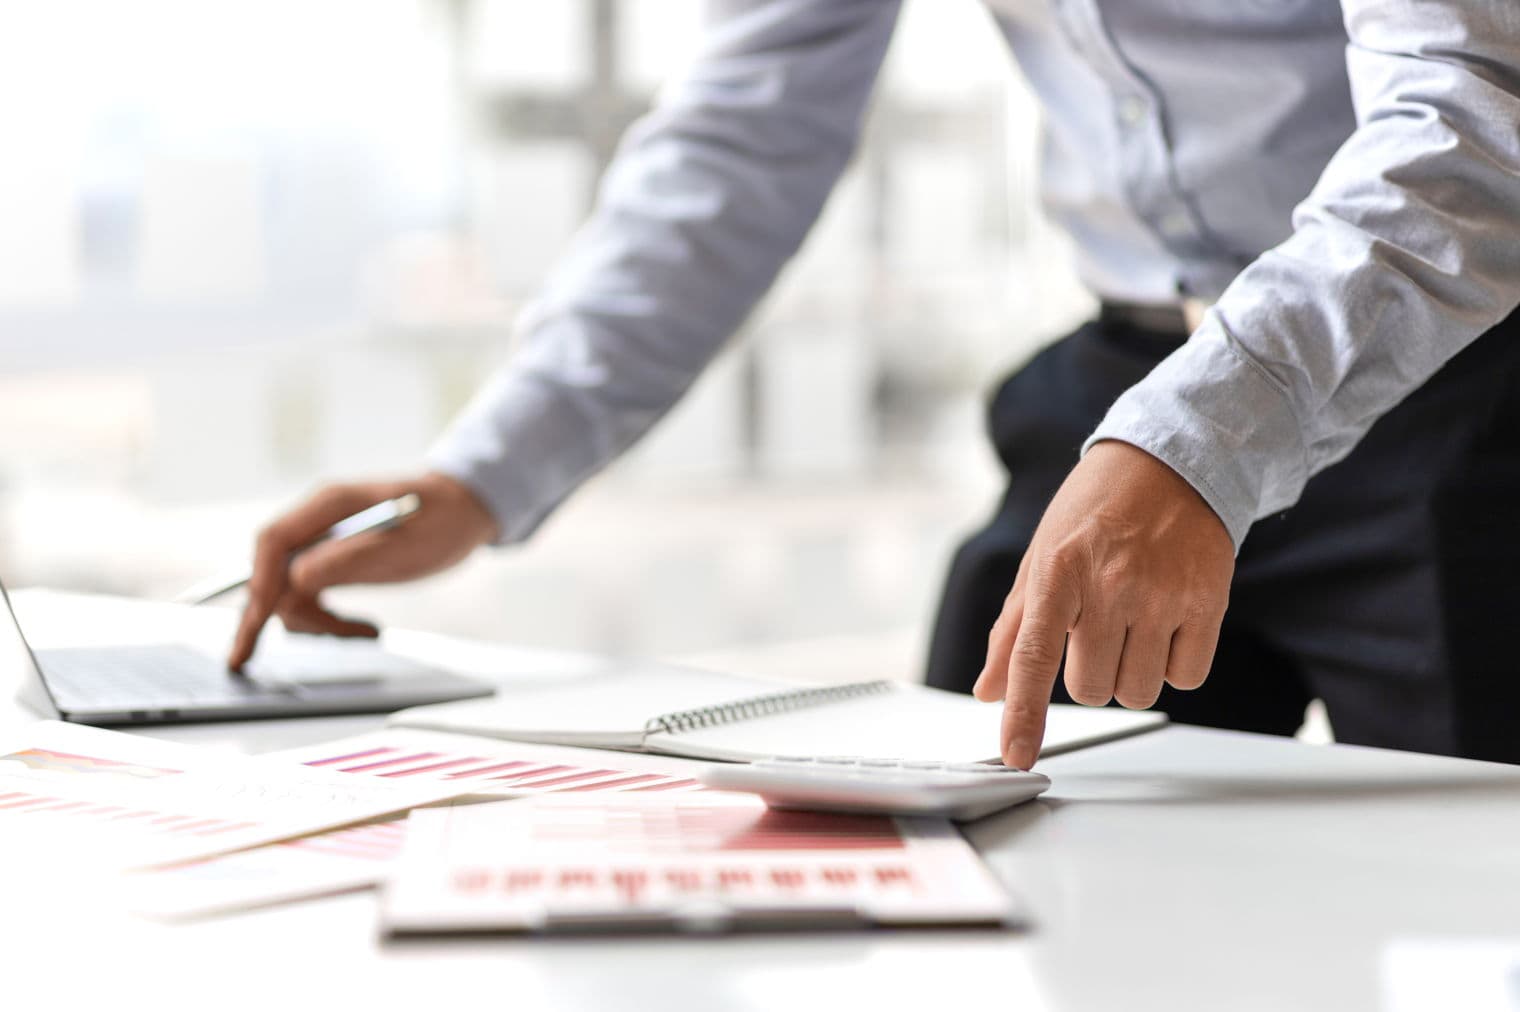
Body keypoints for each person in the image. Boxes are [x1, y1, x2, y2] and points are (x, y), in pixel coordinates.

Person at [228, 1, 1520, 769]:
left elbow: (1474, 112)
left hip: (1468, 388)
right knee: (983, 870)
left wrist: (1203, 445)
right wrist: (486, 468)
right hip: (1129, 384)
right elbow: (747, 132)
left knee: (1480, 903)